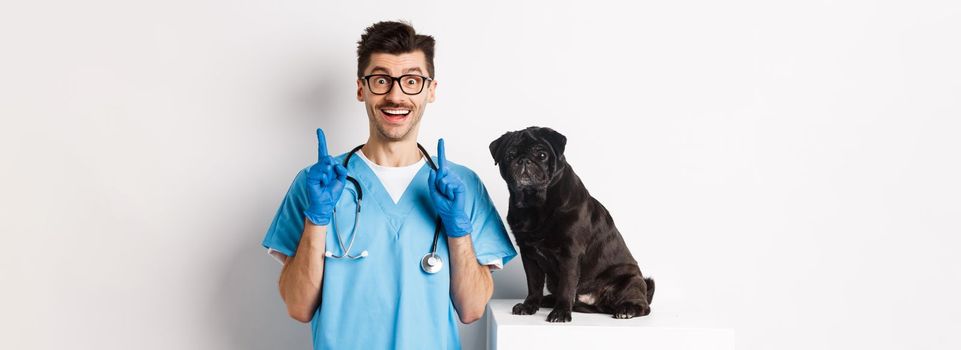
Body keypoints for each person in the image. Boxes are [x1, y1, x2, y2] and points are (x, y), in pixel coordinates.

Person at [260, 20, 517, 349]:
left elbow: (472, 309)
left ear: (431, 90)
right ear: (361, 88)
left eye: (411, 80)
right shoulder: (318, 182)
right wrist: (317, 217)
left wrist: (458, 228)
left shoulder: (461, 185)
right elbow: (298, 307)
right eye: (381, 80)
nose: (396, 95)